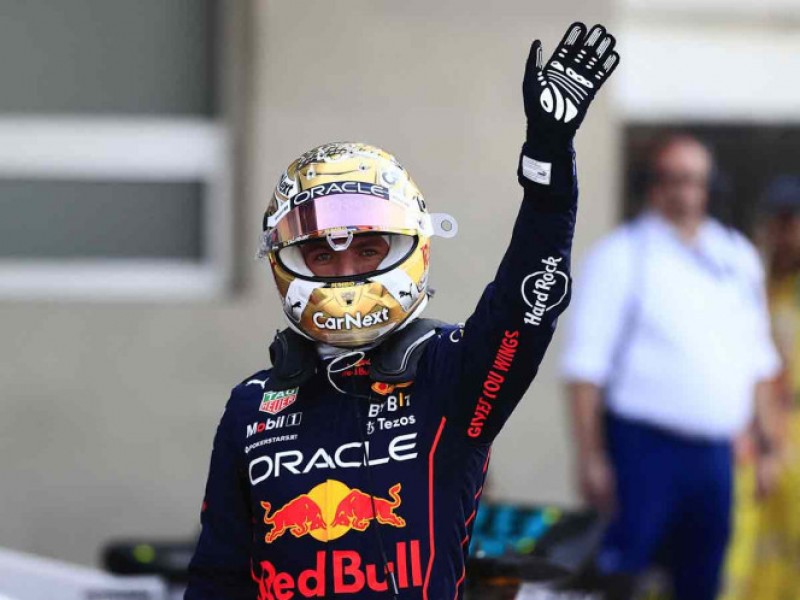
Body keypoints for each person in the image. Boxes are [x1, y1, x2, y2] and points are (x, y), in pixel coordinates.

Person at [185, 22, 620, 600]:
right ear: (285, 261)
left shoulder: (450, 376)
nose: (345, 271)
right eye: (321, 254)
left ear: (412, 248)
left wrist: (548, 165)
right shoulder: (251, 406)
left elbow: (524, 303)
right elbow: (217, 577)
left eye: (367, 250)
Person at [561, 134, 782, 600]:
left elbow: (759, 359)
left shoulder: (736, 255)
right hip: (642, 446)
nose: (686, 191)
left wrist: (768, 444)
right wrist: (591, 456)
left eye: (696, 180)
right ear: (652, 183)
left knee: (702, 579)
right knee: (621, 577)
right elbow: (585, 368)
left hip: (716, 452)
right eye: (675, 179)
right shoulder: (622, 255)